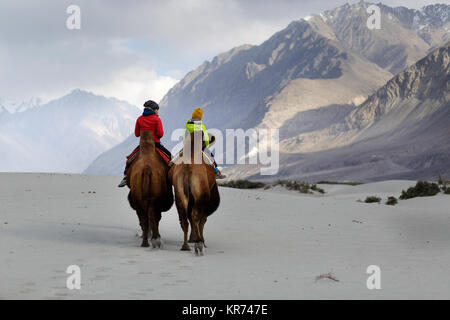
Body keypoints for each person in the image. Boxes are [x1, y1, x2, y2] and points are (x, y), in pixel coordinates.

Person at [118, 100, 172, 187]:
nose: (158, 112)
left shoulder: (139, 119)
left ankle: (125, 177)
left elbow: (137, 134)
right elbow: (160, 134)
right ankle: (171, 178)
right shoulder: (157, 120)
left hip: (143, 145)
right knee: (170, 157)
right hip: (156, 145)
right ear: (154, 110)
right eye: (157, 110)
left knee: (129, 160)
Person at [181, 107, 225, 179]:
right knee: (210, 156)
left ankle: (171, 165)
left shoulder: (187, 126)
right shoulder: (201, 126)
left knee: (177, 157)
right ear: (200, 117)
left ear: (192, 116)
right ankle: (216, 171)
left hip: (187, 147)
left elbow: (184, 138)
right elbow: (206, 139)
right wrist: (205, 146)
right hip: (199, 147)